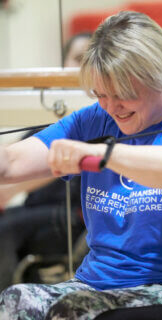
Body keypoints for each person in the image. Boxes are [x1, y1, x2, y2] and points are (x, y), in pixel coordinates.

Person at [0, 11, 162, 319]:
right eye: (101, 95)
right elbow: (10, 164)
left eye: (123, 95)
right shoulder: (94, 120)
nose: (112, 108)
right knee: (17, 299)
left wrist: (103, 154)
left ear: (158, 74)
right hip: (98, 286)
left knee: (75, 311)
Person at [0, 32, 92, 291]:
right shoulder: (51, 110)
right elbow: (13, 154)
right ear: (63, 65)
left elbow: (67, 158)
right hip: (35, 211)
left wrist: (11, 188)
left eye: (89, 58)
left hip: (75, 216)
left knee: (4, 227)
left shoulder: (96, 114)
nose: (83, 65)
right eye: (77, 58)